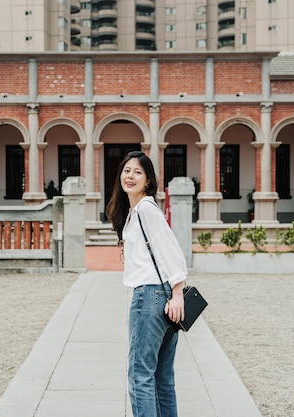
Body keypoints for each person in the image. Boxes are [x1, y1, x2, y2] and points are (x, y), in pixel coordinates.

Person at [106, 150, 186, 417]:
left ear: (148, 180)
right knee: (162, 378)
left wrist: (178, 293)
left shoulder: (145, 210)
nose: (130, 176)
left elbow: (172, 250)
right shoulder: (136, 211)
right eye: (127, 171)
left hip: (149, 297)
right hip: (159, 298)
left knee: (140, 376)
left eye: (138, 172)